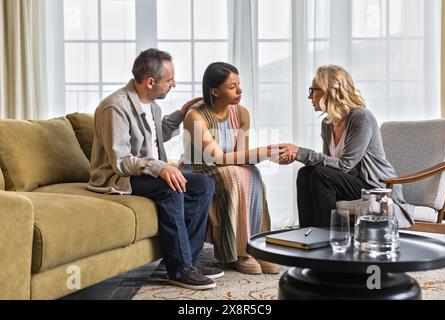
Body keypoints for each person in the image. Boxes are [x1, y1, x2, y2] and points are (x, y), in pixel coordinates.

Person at [87, 48, 224, 290]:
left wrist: (181, 114)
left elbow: (153, 133)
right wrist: (160, 167)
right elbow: (120, 161)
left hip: (143, 172)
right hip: (119, 179)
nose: (174, 84)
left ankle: (188, 260)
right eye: (170, 80)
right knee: (171, 187)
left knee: (204, 184)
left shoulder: (150, 104)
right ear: (151, 82)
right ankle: (179, 269)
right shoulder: (114, 107)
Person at [278, 65, 414, 228]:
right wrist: (296, 155)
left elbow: (345, 165)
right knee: (306, 173)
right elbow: (327, 164)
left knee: (321, 174)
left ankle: (324, 237)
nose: (309, 96)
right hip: (351, 182)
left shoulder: (361, 118)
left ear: (329, 91)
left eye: (312, 90)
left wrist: (300, 152)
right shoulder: (327, 123)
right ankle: (307, 234)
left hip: (375, 187)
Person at [181, 62, 279, 275]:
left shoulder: (241, 113)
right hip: (198, 167)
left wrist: (262, 155)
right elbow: (215, 157)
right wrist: (262, 152)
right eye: (232, 86)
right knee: (232, 176)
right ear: (215, 91)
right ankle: (238, 252)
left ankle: (257, 246)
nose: (240, 90)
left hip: (227, 166)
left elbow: (239, 157)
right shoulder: (194, 116)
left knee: (252, 173)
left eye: (239, 84)